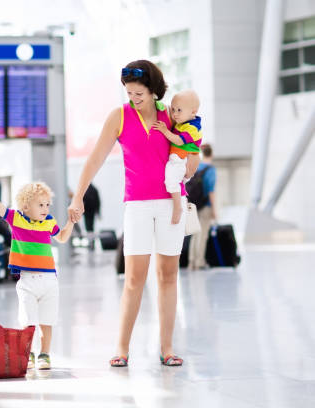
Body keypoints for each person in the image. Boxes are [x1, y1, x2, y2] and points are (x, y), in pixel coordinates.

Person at [68, 60, 200, 368]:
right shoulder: (120, 116)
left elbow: (192, 145)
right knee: (133, 279)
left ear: (154, 91)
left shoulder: (172, 114)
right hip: (137, 206)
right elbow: (96, 158)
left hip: (171, 204)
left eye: (139, 93)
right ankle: (122, 348)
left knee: (168, 276)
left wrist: (192, 158)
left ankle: (166, 348)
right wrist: (77, 196)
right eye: (129, 93)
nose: (134, 99)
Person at [0, 174, 75, 370]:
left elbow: (63, 237)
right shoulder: (15, 218)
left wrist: (71, 222)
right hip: (27, 281)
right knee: (28, 322)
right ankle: (29, 353)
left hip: (49, 281)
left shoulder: (49, 222)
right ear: (25, 206)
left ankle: (45, 354)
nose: (46, 209)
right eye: (40, 205)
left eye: (47, 204)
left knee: (47, 321)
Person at [153, 89, 203, 224]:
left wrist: (164, 130)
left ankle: (177, 207)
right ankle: (180, 202)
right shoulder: (184, 122)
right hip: (180, 159)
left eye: (179, 110)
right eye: (173, 110)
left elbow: (179, 141)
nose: (174, 114)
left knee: (171, 182)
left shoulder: (193, 128)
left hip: (180, 160)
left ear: (193, 112)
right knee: (176, 182)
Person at [188, 143, 217, 270]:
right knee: (203, 234)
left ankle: (191, 262)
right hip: (205, 205)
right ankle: (200, 261)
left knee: (194, 233)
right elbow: (211, 191)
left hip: (193, 204)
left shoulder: (197, 167)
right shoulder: (210, 169)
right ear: (211, 154)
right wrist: (214, 209)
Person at [82, 184, 101, 250]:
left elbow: (82, 201)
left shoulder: (85, 189)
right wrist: (98, 212)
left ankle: (91, 243)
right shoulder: (94, 189)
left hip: (88, 212)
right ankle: (91, 243)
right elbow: (98, 202)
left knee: (89, 228)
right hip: (90, 212)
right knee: (90, 228)